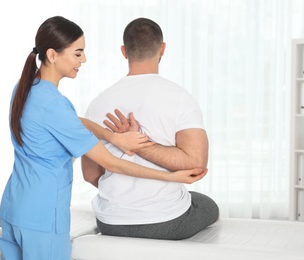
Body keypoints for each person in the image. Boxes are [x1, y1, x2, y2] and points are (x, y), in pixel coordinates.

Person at [0, 16, 208, 260]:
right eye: (78, 53)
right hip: (42, 215)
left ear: (124, 51)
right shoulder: (55, 104)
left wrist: (112, 136)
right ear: (53, 55)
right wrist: (170, 177)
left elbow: (73, 124)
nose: (83, 59)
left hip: (14, 206)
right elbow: (112, 163)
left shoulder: (25, 87)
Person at [82, 17, 219, 241]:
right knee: (207, 205)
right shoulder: (180, 97)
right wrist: (142, 144)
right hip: (165, 221)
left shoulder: (97, 104)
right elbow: (196, 165)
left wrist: (125, 193)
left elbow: (90, 175)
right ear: (162, 48)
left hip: (110, 222)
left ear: (124, 51)